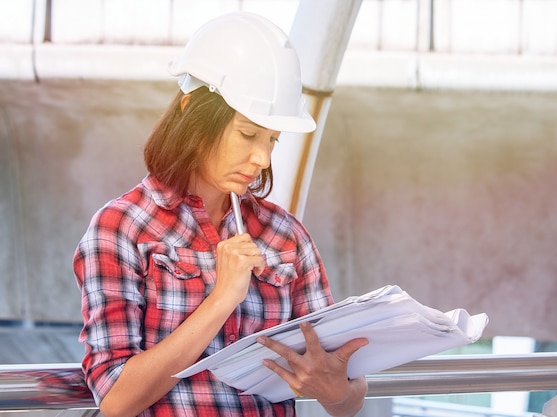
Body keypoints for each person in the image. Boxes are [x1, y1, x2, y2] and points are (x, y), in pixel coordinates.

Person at [73, 11, 368, 417]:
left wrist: (337, 391)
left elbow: (348, 398)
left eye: (272, 139)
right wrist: (222, 298)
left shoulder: (286, 235)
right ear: (193, 110)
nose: (262, 157)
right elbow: (116, 399)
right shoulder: (120, 230)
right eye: (248, 133)